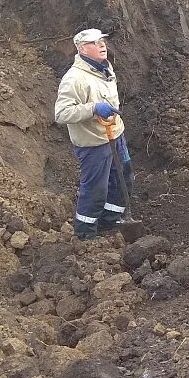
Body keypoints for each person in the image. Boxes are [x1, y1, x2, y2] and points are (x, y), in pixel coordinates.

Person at [54, 28, 133, 240]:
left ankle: (110, 222)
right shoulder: (75, 79)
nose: (101, 46)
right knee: (96, 189)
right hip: (94, 144)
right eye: (94, 43)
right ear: (81, 49)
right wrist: (92, 109)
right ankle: (85, 234)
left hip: (116, 134)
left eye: (102, 41)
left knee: (123, 178)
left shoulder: (105, 68)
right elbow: (61, 113)